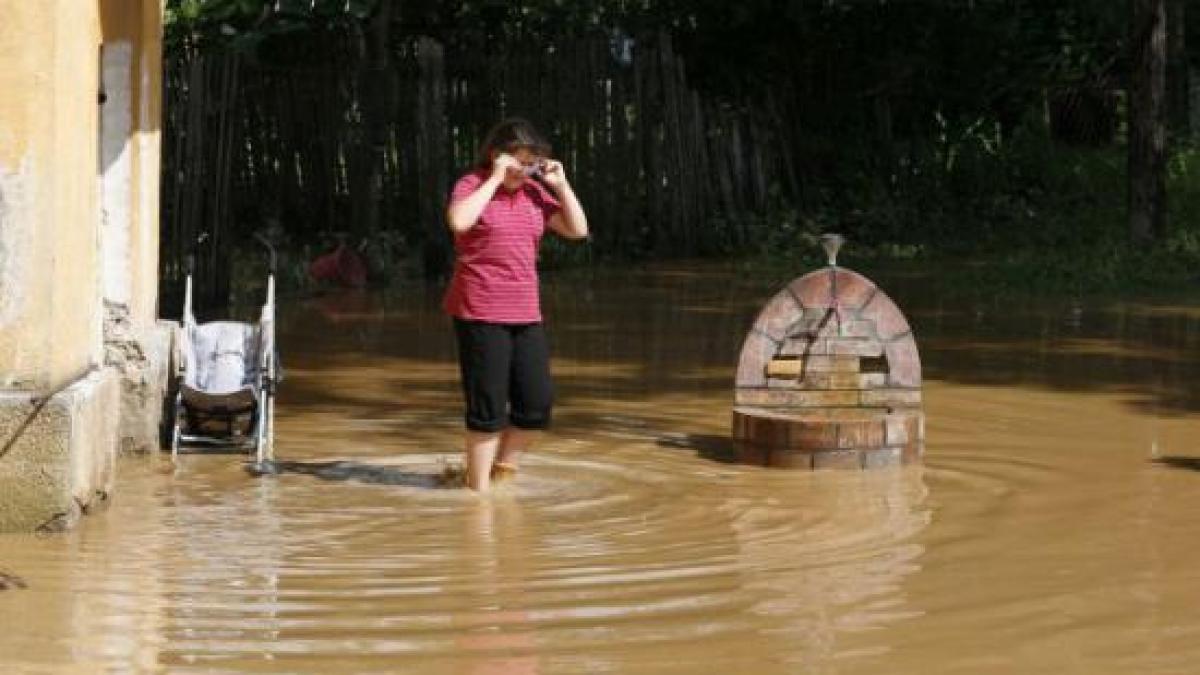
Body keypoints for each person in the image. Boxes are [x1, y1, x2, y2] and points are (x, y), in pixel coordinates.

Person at [444, 118, 589, 492]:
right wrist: (494, 179)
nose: (523, 171)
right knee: (488, 411)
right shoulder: (473, 184)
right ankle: (478, 498)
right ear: (496, 156)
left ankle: (500, 472)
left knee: (536, 406)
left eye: (531, 164)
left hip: (526, 312)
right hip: (479, 310)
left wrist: (560, 184)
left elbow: (578, 230)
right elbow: (459, 221)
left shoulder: (535, 195)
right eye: (518, 162)